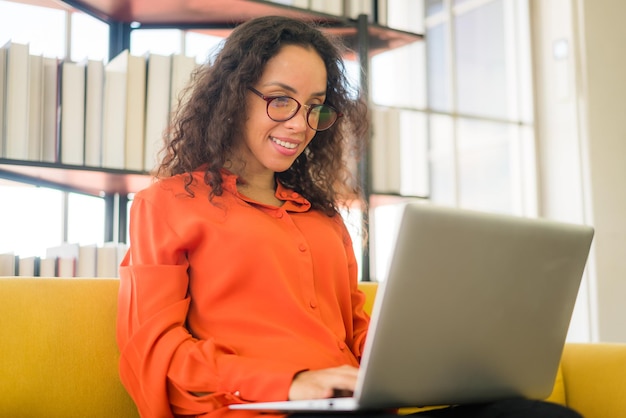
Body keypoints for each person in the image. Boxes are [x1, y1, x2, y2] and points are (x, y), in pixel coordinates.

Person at [116, 15, 582, 418]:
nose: (299, 124)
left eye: (315, 107)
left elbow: (358, 333)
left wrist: (431, 366)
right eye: (280, 99)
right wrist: (292, 381)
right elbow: (156, 350)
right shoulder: (167, 204)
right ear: (233, 96)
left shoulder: (323, 220)